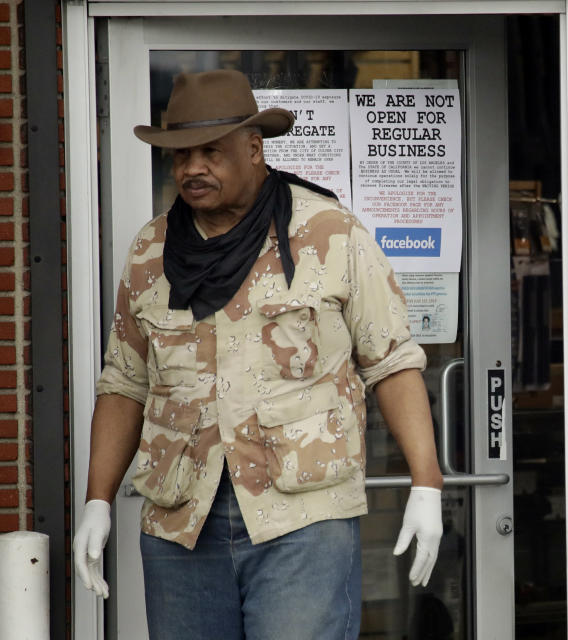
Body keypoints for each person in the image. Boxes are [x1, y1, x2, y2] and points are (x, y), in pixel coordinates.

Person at [72, 69, 444, 640]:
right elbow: (124, 382)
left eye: (211, 152)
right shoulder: (152, 251)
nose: (192, 167)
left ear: (253, 149)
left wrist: (427, 483)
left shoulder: (330, 233)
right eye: (181, 154)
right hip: (182, 522)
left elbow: (391, 363)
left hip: (302, 519)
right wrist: (97, 500)